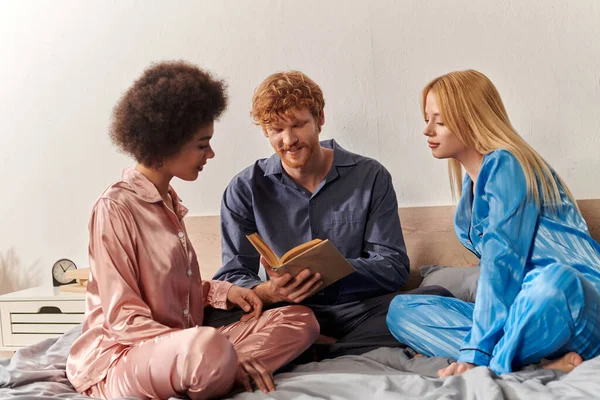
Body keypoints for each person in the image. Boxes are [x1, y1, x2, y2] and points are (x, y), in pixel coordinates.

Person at [66, 61, 319, 400]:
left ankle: (219, 368)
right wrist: (214, 350)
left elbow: (173, 294)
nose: (210, 153)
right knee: (209, 347)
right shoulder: (115, 208)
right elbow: (124, 318)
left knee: (301, 321)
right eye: (203, 144)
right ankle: (221, 365)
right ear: (167, 142)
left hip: (184, 350)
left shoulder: (169, 203)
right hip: (122, 358)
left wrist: (225, 293)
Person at [212, 70, 451, 359]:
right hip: (285, 314)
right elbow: (233, 275)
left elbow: (394, 266)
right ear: (265, 131)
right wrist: (269, 291)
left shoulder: (370, 176)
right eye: (276, 130)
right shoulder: (244, 188)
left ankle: (314, 349)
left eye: (298, 125)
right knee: (205, 317)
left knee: (434, 298)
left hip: (358, 311)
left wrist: (332, 272)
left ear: (320, 119)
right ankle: (315, 343)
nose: (288, 140)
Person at [386, 69, 600, 377]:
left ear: (471, 120)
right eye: (426, 118)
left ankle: (495, 359)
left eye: (440, 121)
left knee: (552, 281)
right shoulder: (469, 194)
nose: (427, 130)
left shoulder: (507, 164)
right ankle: (535, 360)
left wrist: (474, 353)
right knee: (402, 312)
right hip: (523, 312)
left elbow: (503, 266)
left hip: (576, 304)